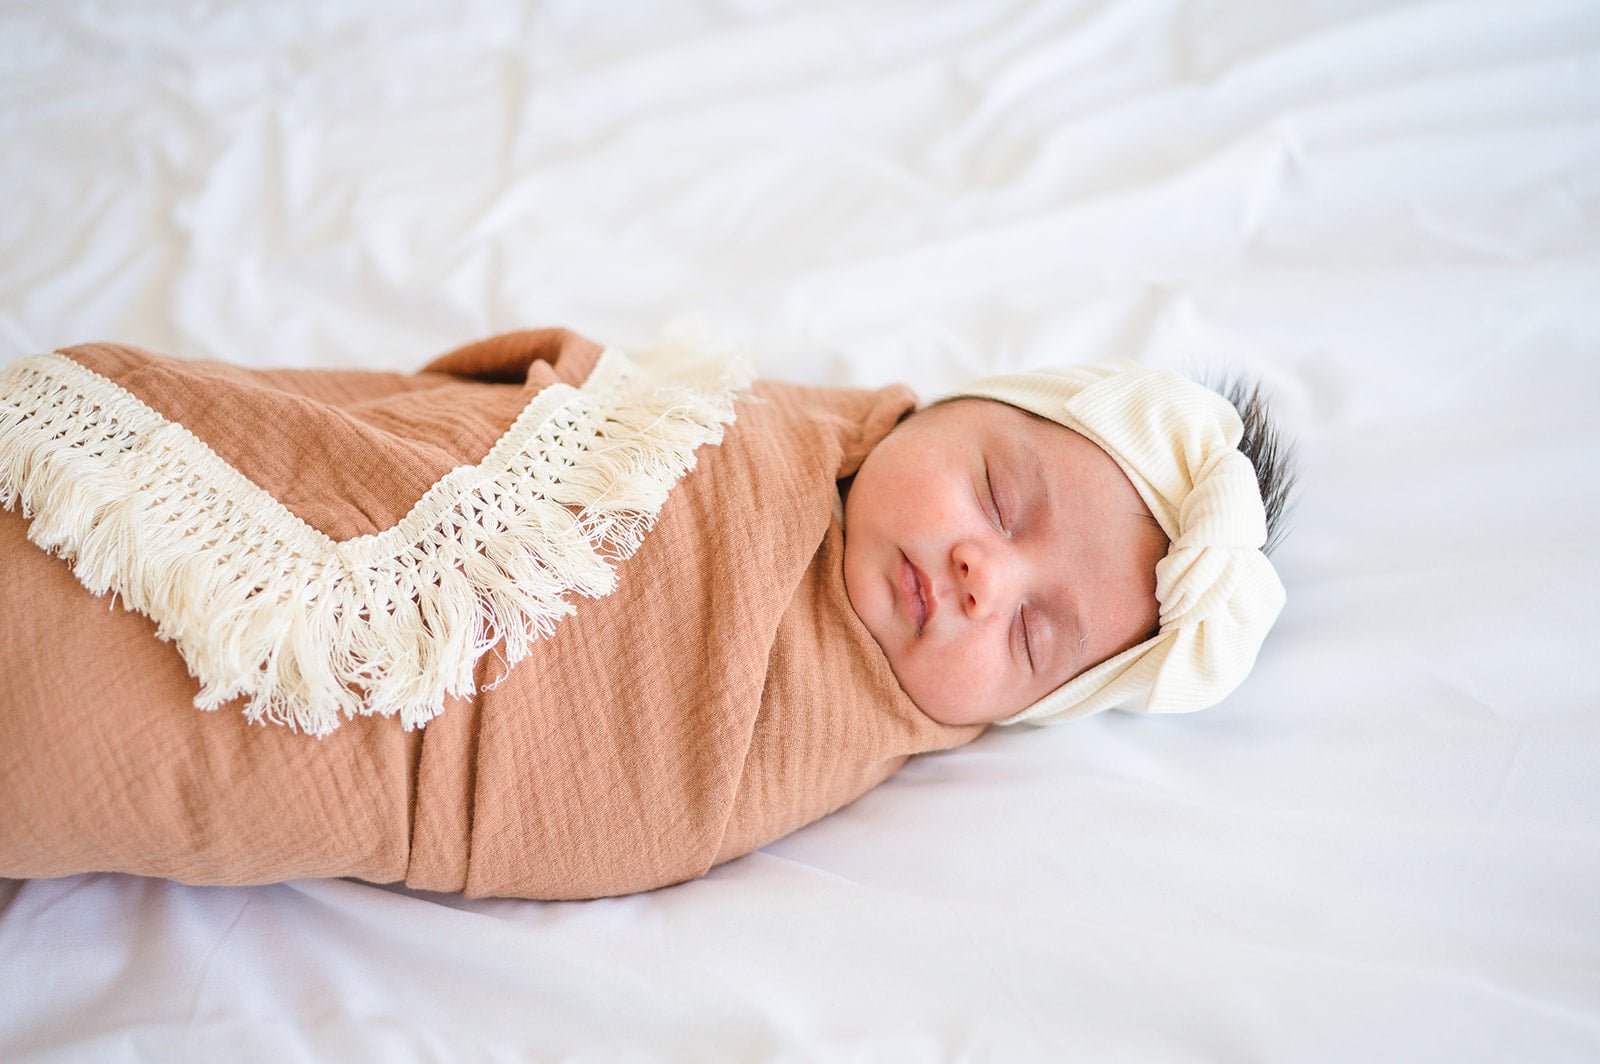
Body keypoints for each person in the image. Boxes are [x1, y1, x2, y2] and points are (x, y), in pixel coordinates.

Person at [0, 328, 1292, 899]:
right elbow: (461, 420)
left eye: (1029, 638)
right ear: (957, 404)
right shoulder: (751, 432)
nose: (979, 577)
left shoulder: (816, 733)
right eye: (1003, 500)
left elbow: (616, 777)